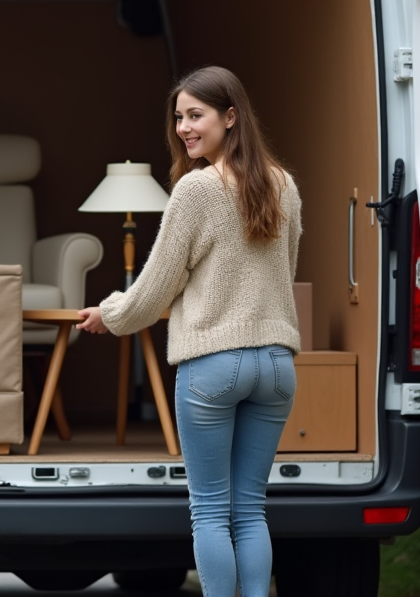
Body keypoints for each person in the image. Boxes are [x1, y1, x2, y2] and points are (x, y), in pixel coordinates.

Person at [77, 65, 302, 597]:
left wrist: (109, 315)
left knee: (209, 512)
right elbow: (285, 271)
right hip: (276, 367)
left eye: (195, 115)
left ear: (230, 117)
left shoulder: (196, 189)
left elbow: (154, 289)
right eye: (179, 117)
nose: (183, 127)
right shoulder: (284, 184)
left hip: (213, 366)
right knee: (250, 509)